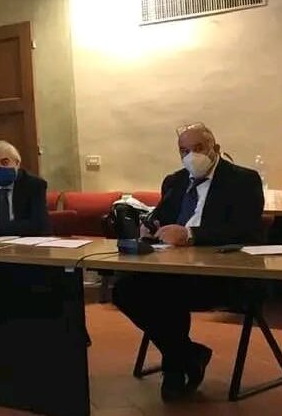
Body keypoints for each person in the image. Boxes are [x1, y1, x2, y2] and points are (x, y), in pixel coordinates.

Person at [112, 123, 264, 402]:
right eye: (184, 150)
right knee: (124, 289)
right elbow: (161, 217)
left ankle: (175, 367)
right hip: (173, 267)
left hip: (221, 273)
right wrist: (150, 227)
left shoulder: (243, 180)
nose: (191, 156)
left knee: (165, 292)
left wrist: (191, 234)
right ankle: (187, 354)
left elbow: (246, 231)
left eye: (198, 148)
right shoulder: (175, 181)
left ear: (215, 149)